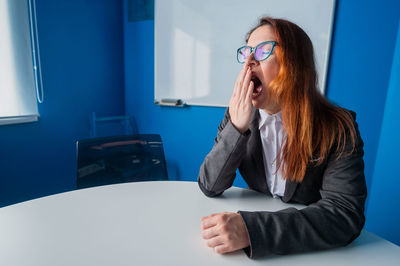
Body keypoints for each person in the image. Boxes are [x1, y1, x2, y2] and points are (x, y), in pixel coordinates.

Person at [198, 16, 367, 259]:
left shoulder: (339, 127)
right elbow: (209, 186)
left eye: (263, 50)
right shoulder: (238, 114)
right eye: (246, 53)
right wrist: (236, 128)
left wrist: (252, 230)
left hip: (312, 254)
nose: (249, 61)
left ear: (295, 64)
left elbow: (344, 214)